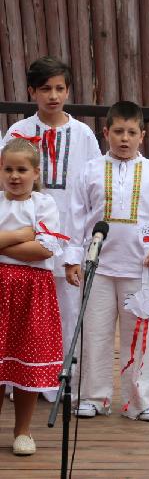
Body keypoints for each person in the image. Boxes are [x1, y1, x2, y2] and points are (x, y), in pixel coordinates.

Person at [64, 101, 149, 422]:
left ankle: (140, 400)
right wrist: (73, 258)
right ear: (106, 133)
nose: (124, 139)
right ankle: (93, 396)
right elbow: (75, 219)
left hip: (141, 269)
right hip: (97, 268)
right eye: (118, 132)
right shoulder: (89, 172)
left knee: (140, 336)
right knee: (95, 333)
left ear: (142, 135)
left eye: (131, 132)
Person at [1, 57, 102, 403]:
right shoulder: (17, 132)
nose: (53, 96)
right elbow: (6, 186)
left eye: (60, 88)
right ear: (32, 91)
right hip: (22, 244)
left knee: (66, 310)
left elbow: (91, 192)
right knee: (22, 316)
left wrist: (78, 249)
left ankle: (60, 380)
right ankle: (18, 379)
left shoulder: (83, 134)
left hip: (68, 237)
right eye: (45, 89)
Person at [0, 139, 66, 455]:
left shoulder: (44, 204)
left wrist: (4, 244)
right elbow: (32, 242)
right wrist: (21, 235)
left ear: (35, 172)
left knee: (26, 359)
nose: (15, 176)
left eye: (22, 169)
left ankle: (22, 431)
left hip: (32, 291)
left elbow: (44, 249)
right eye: (8, 169)